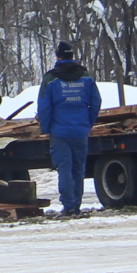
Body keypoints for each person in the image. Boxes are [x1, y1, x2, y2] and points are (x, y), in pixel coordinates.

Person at [35, 41, 101, 216]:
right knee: (78, 169)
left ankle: (69, 206)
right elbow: (96, 102)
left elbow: (44, 107)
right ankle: (76, 205)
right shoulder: (86, 77)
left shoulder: (51, 79)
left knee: (64, 169)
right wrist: (88, 123)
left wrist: (45, 128)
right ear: (72, 56)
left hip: (59, 132)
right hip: (80, 131)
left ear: (58, 57)